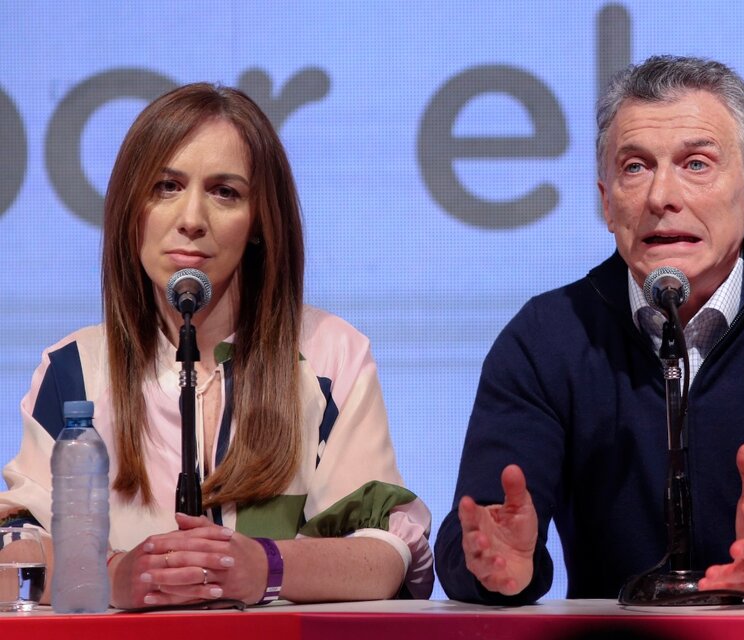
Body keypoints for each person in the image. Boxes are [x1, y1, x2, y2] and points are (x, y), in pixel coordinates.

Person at [434, 55, 744, 604]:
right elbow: (468, 540)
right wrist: (500, 568)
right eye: (635, 167)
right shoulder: (547, 339)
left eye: (695, 164)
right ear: (607, 203)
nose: (660, 196)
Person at [0, 83, 433, 608]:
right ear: (130, 209)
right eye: (166, 186)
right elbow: (12, 555)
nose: (191, 219)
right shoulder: (74, 368)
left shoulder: (330, 353)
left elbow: (387, 557)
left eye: (225, 192)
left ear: (259, 223)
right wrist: (111, 576)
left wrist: (264, 567)